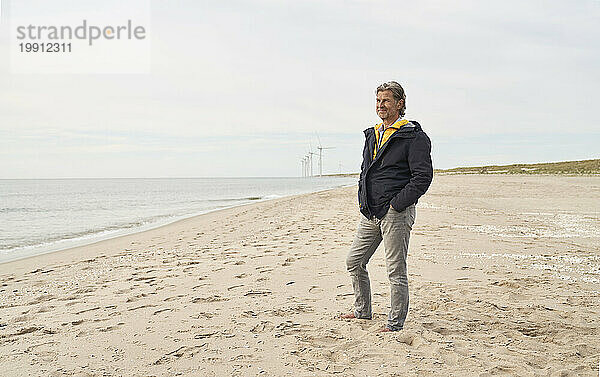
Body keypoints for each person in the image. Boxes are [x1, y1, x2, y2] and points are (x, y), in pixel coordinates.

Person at [342, 81, 433, 332]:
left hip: (396, 213)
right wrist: (363, 201)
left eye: (386, 101)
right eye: (378, 101)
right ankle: (363, 311)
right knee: (354, 261)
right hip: (370, 212)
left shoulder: (414, 137)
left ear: (400, 104)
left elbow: (422, 178)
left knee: (395, 270)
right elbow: (365, 171)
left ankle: (395, 323)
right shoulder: (372, 133)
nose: (380, 105)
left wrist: (397, 204)